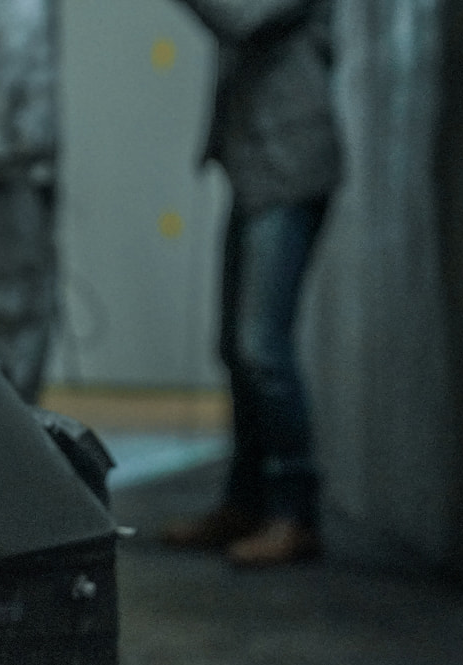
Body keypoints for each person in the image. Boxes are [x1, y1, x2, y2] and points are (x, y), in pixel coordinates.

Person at [162, 0, 341, 566]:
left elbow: (245, 15)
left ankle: (294, 513)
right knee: (238, 349)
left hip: (288, 166)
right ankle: (246, 502)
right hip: (258, 167)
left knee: (261, 349)